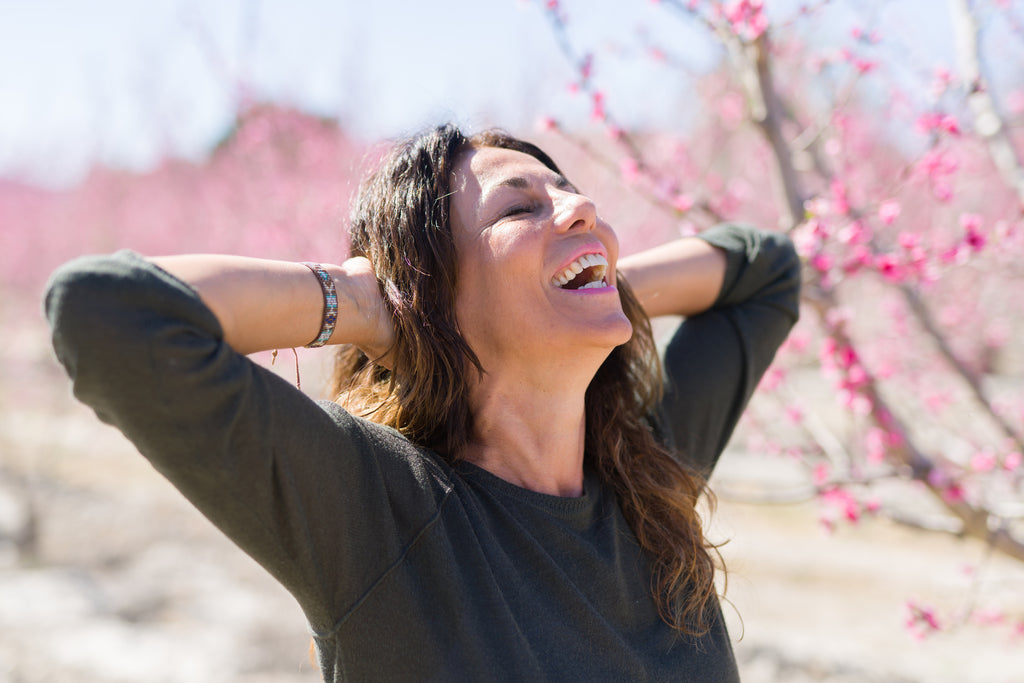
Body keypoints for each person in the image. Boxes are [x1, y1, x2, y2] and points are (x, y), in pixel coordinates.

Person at [45, 124, 801, 681]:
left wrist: (591, 276)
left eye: (571, 196)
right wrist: (368, 304)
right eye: (518, 208)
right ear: (430, 297)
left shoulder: (646, 477)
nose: (581, 207)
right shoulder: (383, 511)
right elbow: (106, 310)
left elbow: (767, 275)